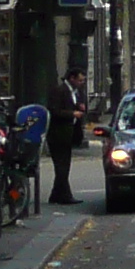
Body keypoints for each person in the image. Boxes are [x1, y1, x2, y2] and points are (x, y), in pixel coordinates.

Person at [47, 71, 87, 206]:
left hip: (69, 134)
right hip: (58, 134)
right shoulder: (59, 90)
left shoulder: (75, 92)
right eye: (80, 80)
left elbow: (73, 105)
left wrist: (79, 107)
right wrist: (72, 113)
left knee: (64, 165)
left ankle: (56, 194)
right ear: (72, 78)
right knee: (61, 166)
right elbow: (54, 110)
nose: (82, 83)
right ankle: (65, 195)